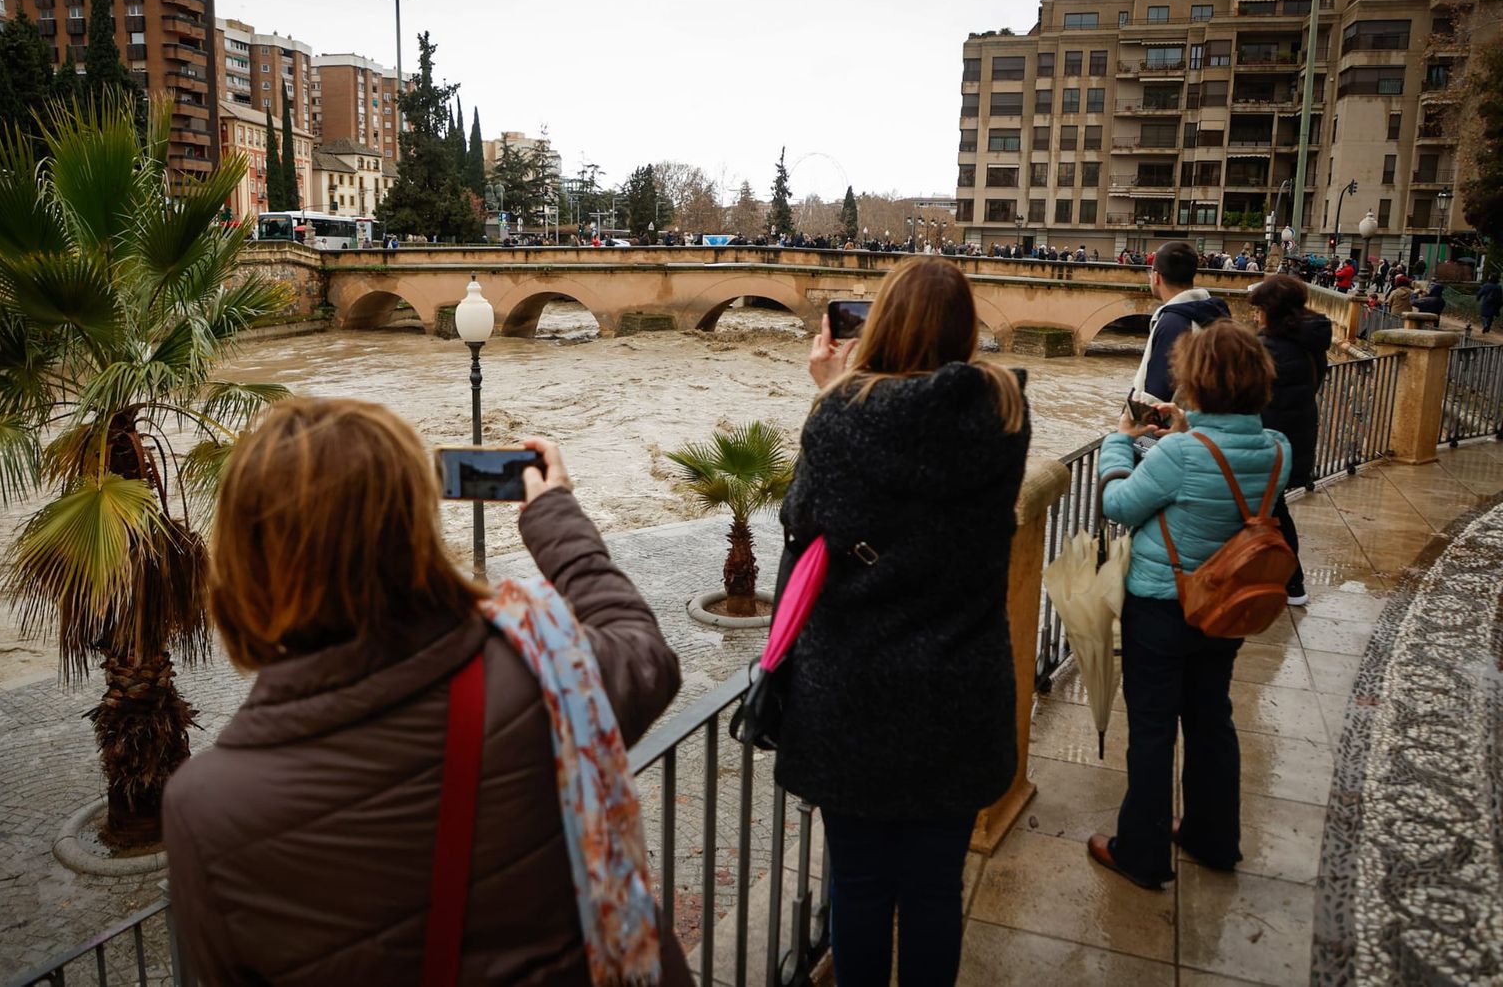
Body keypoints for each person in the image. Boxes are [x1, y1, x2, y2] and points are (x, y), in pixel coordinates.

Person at [163, 398, 689, 985]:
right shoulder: (545, 673)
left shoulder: (202, 810)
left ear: (241, 560)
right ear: (413, 528)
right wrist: (554, 514)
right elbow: (646, 654)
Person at [776, 256, 1029, 986]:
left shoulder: (841, 418)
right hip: (958, 689)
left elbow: (802, 523)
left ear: (878, 321)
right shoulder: (1004, 411)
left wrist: (827, 392)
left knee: (857, 888)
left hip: (852, 695)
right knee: (933, 890)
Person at [1089, 321, 1293, 888]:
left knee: (1152, 728)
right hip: (1228, 603)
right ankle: (1213, 837)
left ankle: (1143, 852)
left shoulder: (1179, 453)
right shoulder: (1278, 448)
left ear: (1195, 383)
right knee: (1210, 717)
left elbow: (1119, 505)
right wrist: (1188, 428)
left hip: (1162, 605)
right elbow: (1224, 482)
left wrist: (1119, 440)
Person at [1250, 275, 1331, 604]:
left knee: (1270, 514)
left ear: (1270, 310)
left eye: (1258, 310)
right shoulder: (1309, 343)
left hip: (1268, 447)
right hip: (1294, 441)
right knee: (1274, 511)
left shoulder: (1270, 349)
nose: (1255, 317)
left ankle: (1291, 583)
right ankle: (1285, 581)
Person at [1130, 240, 1232, 404]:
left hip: (1176, 426)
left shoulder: (1173, 323)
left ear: (1156, 277)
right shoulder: (1214, 314)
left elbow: (1155, 397)